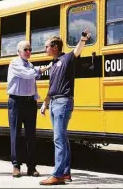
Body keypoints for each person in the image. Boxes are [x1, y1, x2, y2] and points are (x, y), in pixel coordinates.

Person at [39, 30, 91, 185]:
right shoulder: (53, 64)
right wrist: (45, 103)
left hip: (63, 102)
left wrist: (82, 39)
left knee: (58, 139)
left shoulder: (67, 58)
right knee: (62, 138)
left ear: (55, 47)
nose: (45, 49)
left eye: (47, 46)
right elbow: (52, 86)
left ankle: (58, 175)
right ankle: (65, 172)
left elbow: (77, 51)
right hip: (54, 102)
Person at [7, 40, 51, 178]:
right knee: (16, 134)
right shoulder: (14, 63)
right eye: (26, 49)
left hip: (29, 102)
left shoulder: (30, 65)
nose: (28, 52)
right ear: (18, 52)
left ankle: (31, 167)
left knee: (31, 136)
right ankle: (16, 165)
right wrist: (41, 69)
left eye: (30, 49)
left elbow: (33, 83)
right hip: (16, 101)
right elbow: (27, 74)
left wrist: (36, 98)